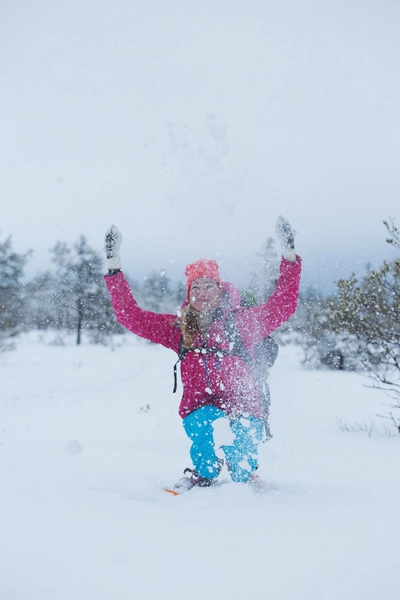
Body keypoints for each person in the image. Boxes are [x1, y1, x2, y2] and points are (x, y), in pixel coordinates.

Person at [103, 216, 302, 491]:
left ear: (220, 290)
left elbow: (284, 304)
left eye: (209, 285)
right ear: (189, 293)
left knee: (243, 438)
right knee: (201, 425)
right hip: (201, 406)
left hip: (242, 404)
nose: (202, 292)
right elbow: (131, 316)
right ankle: (204, 474)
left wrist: (289, 256)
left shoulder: (242, 323)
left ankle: (246, 475)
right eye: (196, 287)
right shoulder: (179, 328)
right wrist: (114, 268)